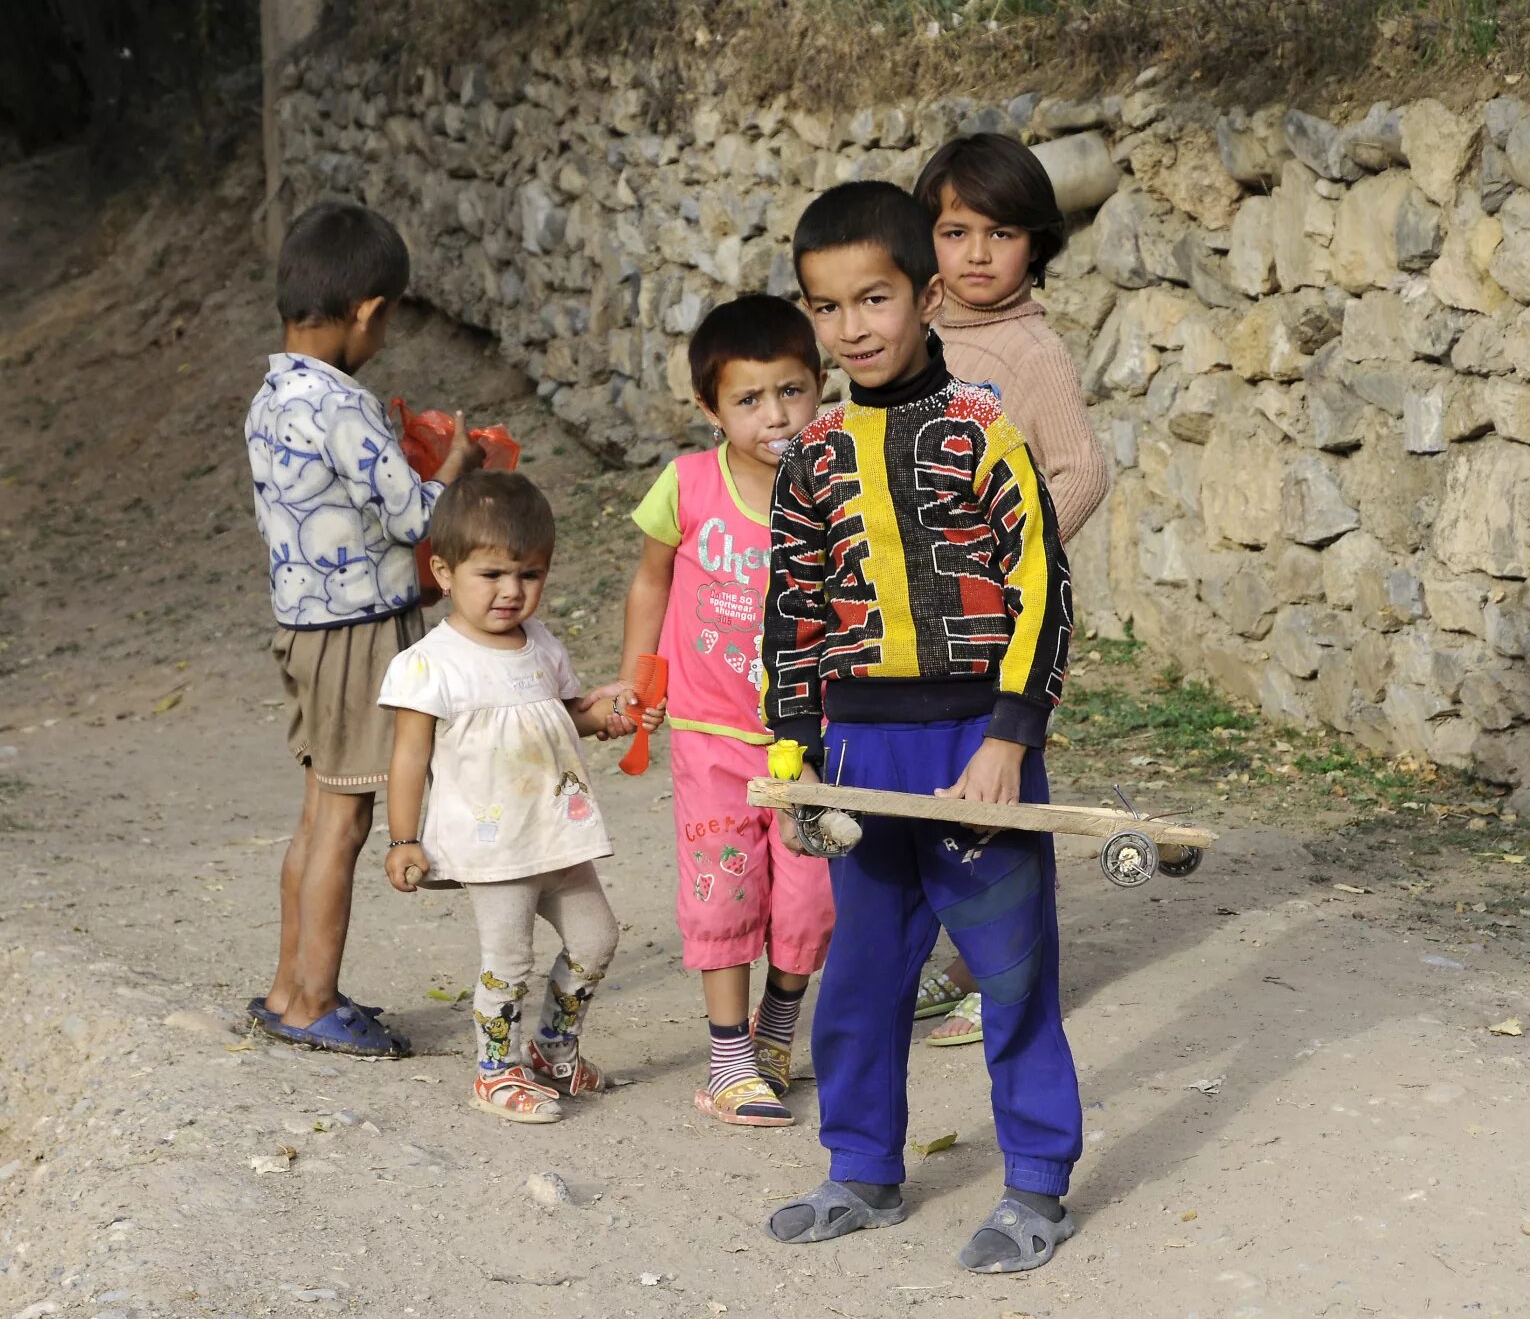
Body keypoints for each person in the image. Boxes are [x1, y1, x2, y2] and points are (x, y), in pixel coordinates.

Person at [760, 181, 1080, 1274]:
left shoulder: (984, 433)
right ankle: (861, 1168)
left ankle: (1035, 1182)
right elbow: (793, 610)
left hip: (970, 747)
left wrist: (1008, 737)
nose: (852, 327)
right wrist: (793, 754)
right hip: (857, 755)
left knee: (1010, 966)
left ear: (925, 295)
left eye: (875, 298)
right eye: (826, 307)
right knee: (861, 975)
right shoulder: (808, 458)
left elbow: (1040, 586)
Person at [244, 201, 483, 1058]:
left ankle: (289, 986)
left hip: (306, 631)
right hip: (355, 639)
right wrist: (455, 467)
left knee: (316, 817)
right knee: (345, 826)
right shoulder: (342, 406)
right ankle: (313, 1002)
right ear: (369, 311)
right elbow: (416, 518)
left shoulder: (272, 396)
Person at [909, 132, 1113, 1048]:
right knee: (928, 776)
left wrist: (1009, 563)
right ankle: (955, 959)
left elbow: (1080, 469)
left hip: (1000, 618)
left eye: (1001, 233)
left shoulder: (1032, 356)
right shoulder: (906, 334)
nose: (977, 255)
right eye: (955, 232)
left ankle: (1011, 978)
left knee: (1005, 785)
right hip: (910, 620)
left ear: (1038, 243)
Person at [619, 295, 835, 1127]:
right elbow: (650, 579)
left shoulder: (836, 483)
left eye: (791, 391)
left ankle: (777, 1028)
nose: (774, 416)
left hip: (809, 737)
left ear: (820, 388)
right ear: (712, 410)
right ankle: (728, 1059)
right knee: (724, 895)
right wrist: (644, 679)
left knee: (811, 900)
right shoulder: (688, 485)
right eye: (749, 400)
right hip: (711, 735)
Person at [379, 472, 654, 1122]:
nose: (512, 591)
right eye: (493, 574)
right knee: (509, 959)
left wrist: (606, 717)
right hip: (494, 843)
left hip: (557, 831)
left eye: (529, 575)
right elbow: (407, 757)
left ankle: (552, 1050)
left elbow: (557, 717)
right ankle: (493, 1072)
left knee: (596, 939)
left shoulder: (543, 646)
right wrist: (402, 839)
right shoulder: (430, 664)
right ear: (444, 571)